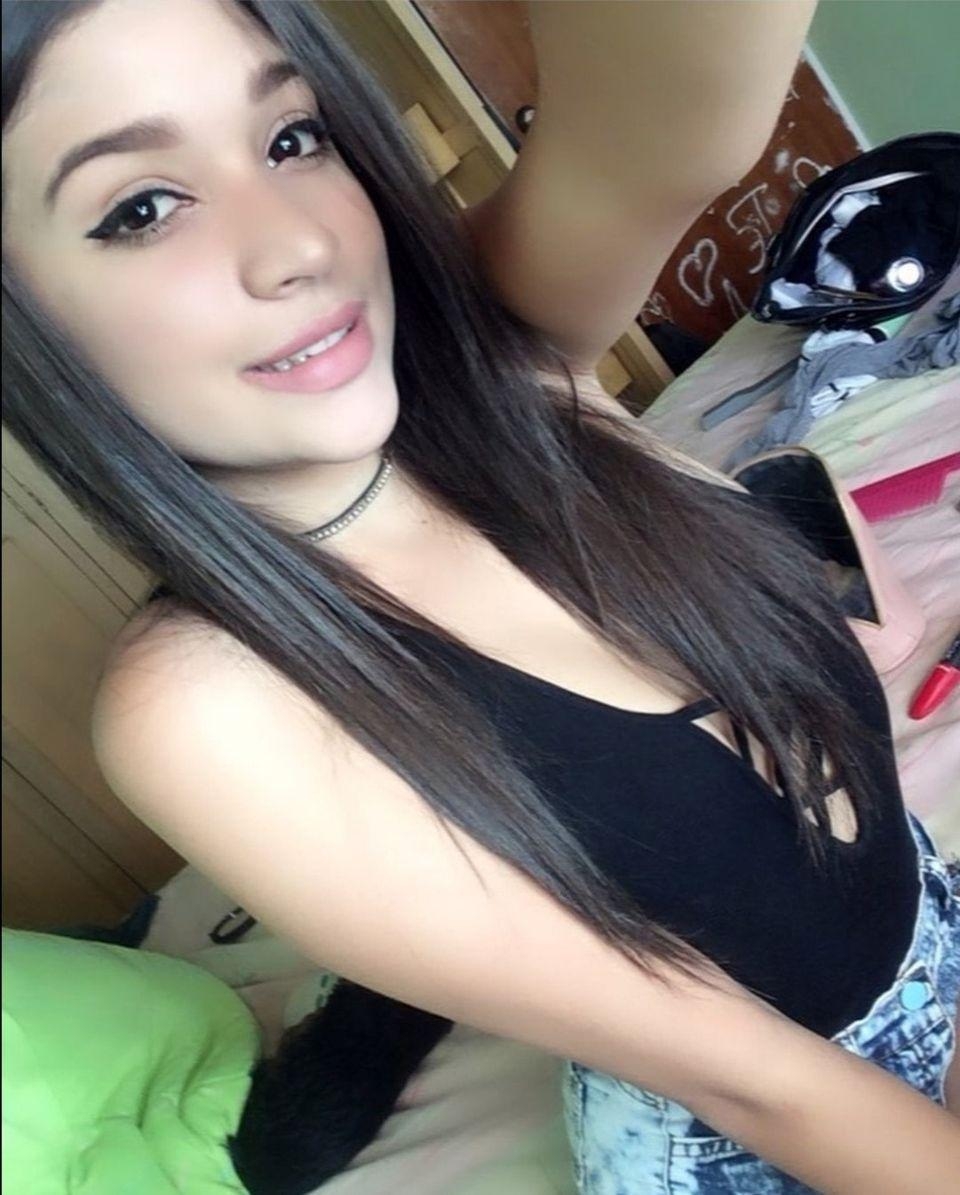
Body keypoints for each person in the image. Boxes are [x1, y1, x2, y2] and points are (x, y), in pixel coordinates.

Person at [2, 2, 958, 1192]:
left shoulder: (510, 380)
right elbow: (760, 1080)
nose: (298, 244)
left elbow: (671, 119)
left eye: (292, 138)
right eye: (142, 209)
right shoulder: (204, 705)